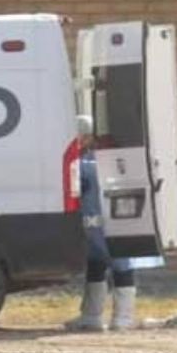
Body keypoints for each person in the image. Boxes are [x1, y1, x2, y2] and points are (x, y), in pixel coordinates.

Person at [64, 115, 138, 331]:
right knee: (99, 265)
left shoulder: (90, 163)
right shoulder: (90, 161)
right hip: (98, 223)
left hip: (105, 222)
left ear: (87, 137)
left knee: (118, 265)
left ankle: (118, 318)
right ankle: (95, 316)